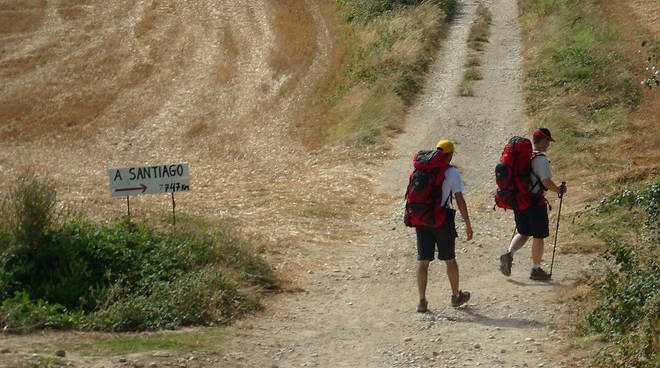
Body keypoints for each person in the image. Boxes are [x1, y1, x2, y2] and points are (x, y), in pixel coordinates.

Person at [499, 128, 567, 280]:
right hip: (535, 203)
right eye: (548, 141)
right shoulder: (541, 159)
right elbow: (546, 182)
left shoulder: (523, 156)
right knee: (539, 235)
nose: (548, 144)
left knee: (523, 232)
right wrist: (558, 190)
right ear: (542, 141)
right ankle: (536, 269)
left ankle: (509, 254)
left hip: (519, 200)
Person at [416, 139, 473, 313]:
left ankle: (422, 301)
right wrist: (467, 224)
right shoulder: (452, 172)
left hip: (422, 218)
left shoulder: (422, 169)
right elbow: (459, 199)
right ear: (449, 155)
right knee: (449, 259)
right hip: (441, 219)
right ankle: (456, 296)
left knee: (423, 261)